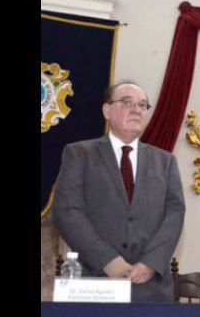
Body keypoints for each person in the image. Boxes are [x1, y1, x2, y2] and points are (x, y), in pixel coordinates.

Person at [53, 81, 186, 302]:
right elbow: (67, 211)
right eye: (127, 102)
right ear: (107, 111)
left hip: (151, 287)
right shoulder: (79, 154)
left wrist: (151, 263)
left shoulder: (165, 161)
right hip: (96, 284)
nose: (137, 110)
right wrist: (107, 260)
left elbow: (175, 213)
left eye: (143, 105)